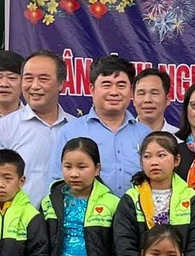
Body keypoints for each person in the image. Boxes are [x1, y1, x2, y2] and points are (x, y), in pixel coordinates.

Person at [114, 132, 195, 256]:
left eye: (161, 155)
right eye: (147, 157)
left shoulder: (191, 198)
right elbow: (124, 245)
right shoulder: (131, 199)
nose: (154, 162)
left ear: (177, 160)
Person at [51, 56, 148, 197]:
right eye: (106, 85)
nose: (114, 92)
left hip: (137, 210)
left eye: (121, 85)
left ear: (131, 91)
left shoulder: (145, 135)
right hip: (85, 211)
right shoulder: (71, 132)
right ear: (92, 89)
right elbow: (57, 183)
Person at [41, 138, 121, 256]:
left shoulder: (112, 203)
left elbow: (117, 253)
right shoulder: (49, 203)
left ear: (97, 169)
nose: (74, 174)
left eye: (82, 167)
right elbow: (41, 249)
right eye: (68, 167)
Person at [0, 50, 70, 206]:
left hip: (67, 218)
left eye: (43, 79)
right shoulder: (5, 127)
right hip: (20, 218)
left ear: (61, 83)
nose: (35, 86)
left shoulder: (75, 128)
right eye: (28, 78)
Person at [132, 68, 177, 134]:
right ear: (133, 100)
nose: (147, 100)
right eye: (141, 93)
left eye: (154, 93)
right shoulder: (120, 136)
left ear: (167, 100)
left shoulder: (179, 138)